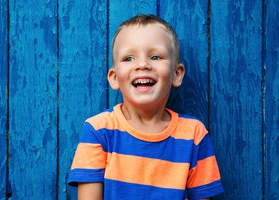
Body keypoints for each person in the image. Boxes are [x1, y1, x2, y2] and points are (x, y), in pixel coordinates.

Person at [68, 14, 224, 199]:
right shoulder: (99, 130)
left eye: (155, 56)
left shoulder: (194, 135)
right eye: (128, 58)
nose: (142, 64)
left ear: (176, 74)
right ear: (114, 77)